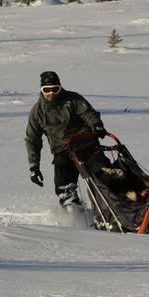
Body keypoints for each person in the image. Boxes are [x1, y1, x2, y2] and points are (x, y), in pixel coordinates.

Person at [25, 71, 105, 209]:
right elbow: (32, 139)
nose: (51, 93)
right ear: (41, 90)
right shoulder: (37, 112)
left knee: (102, 179)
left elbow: (88, 113)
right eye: (47, 90)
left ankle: (108, 213)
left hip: (86, 144)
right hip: (62, 151)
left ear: (60, 87)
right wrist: (34, 166)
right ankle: (73, 217)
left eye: (55, 89)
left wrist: (96, 125)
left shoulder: (73, 99)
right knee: (64, 188)